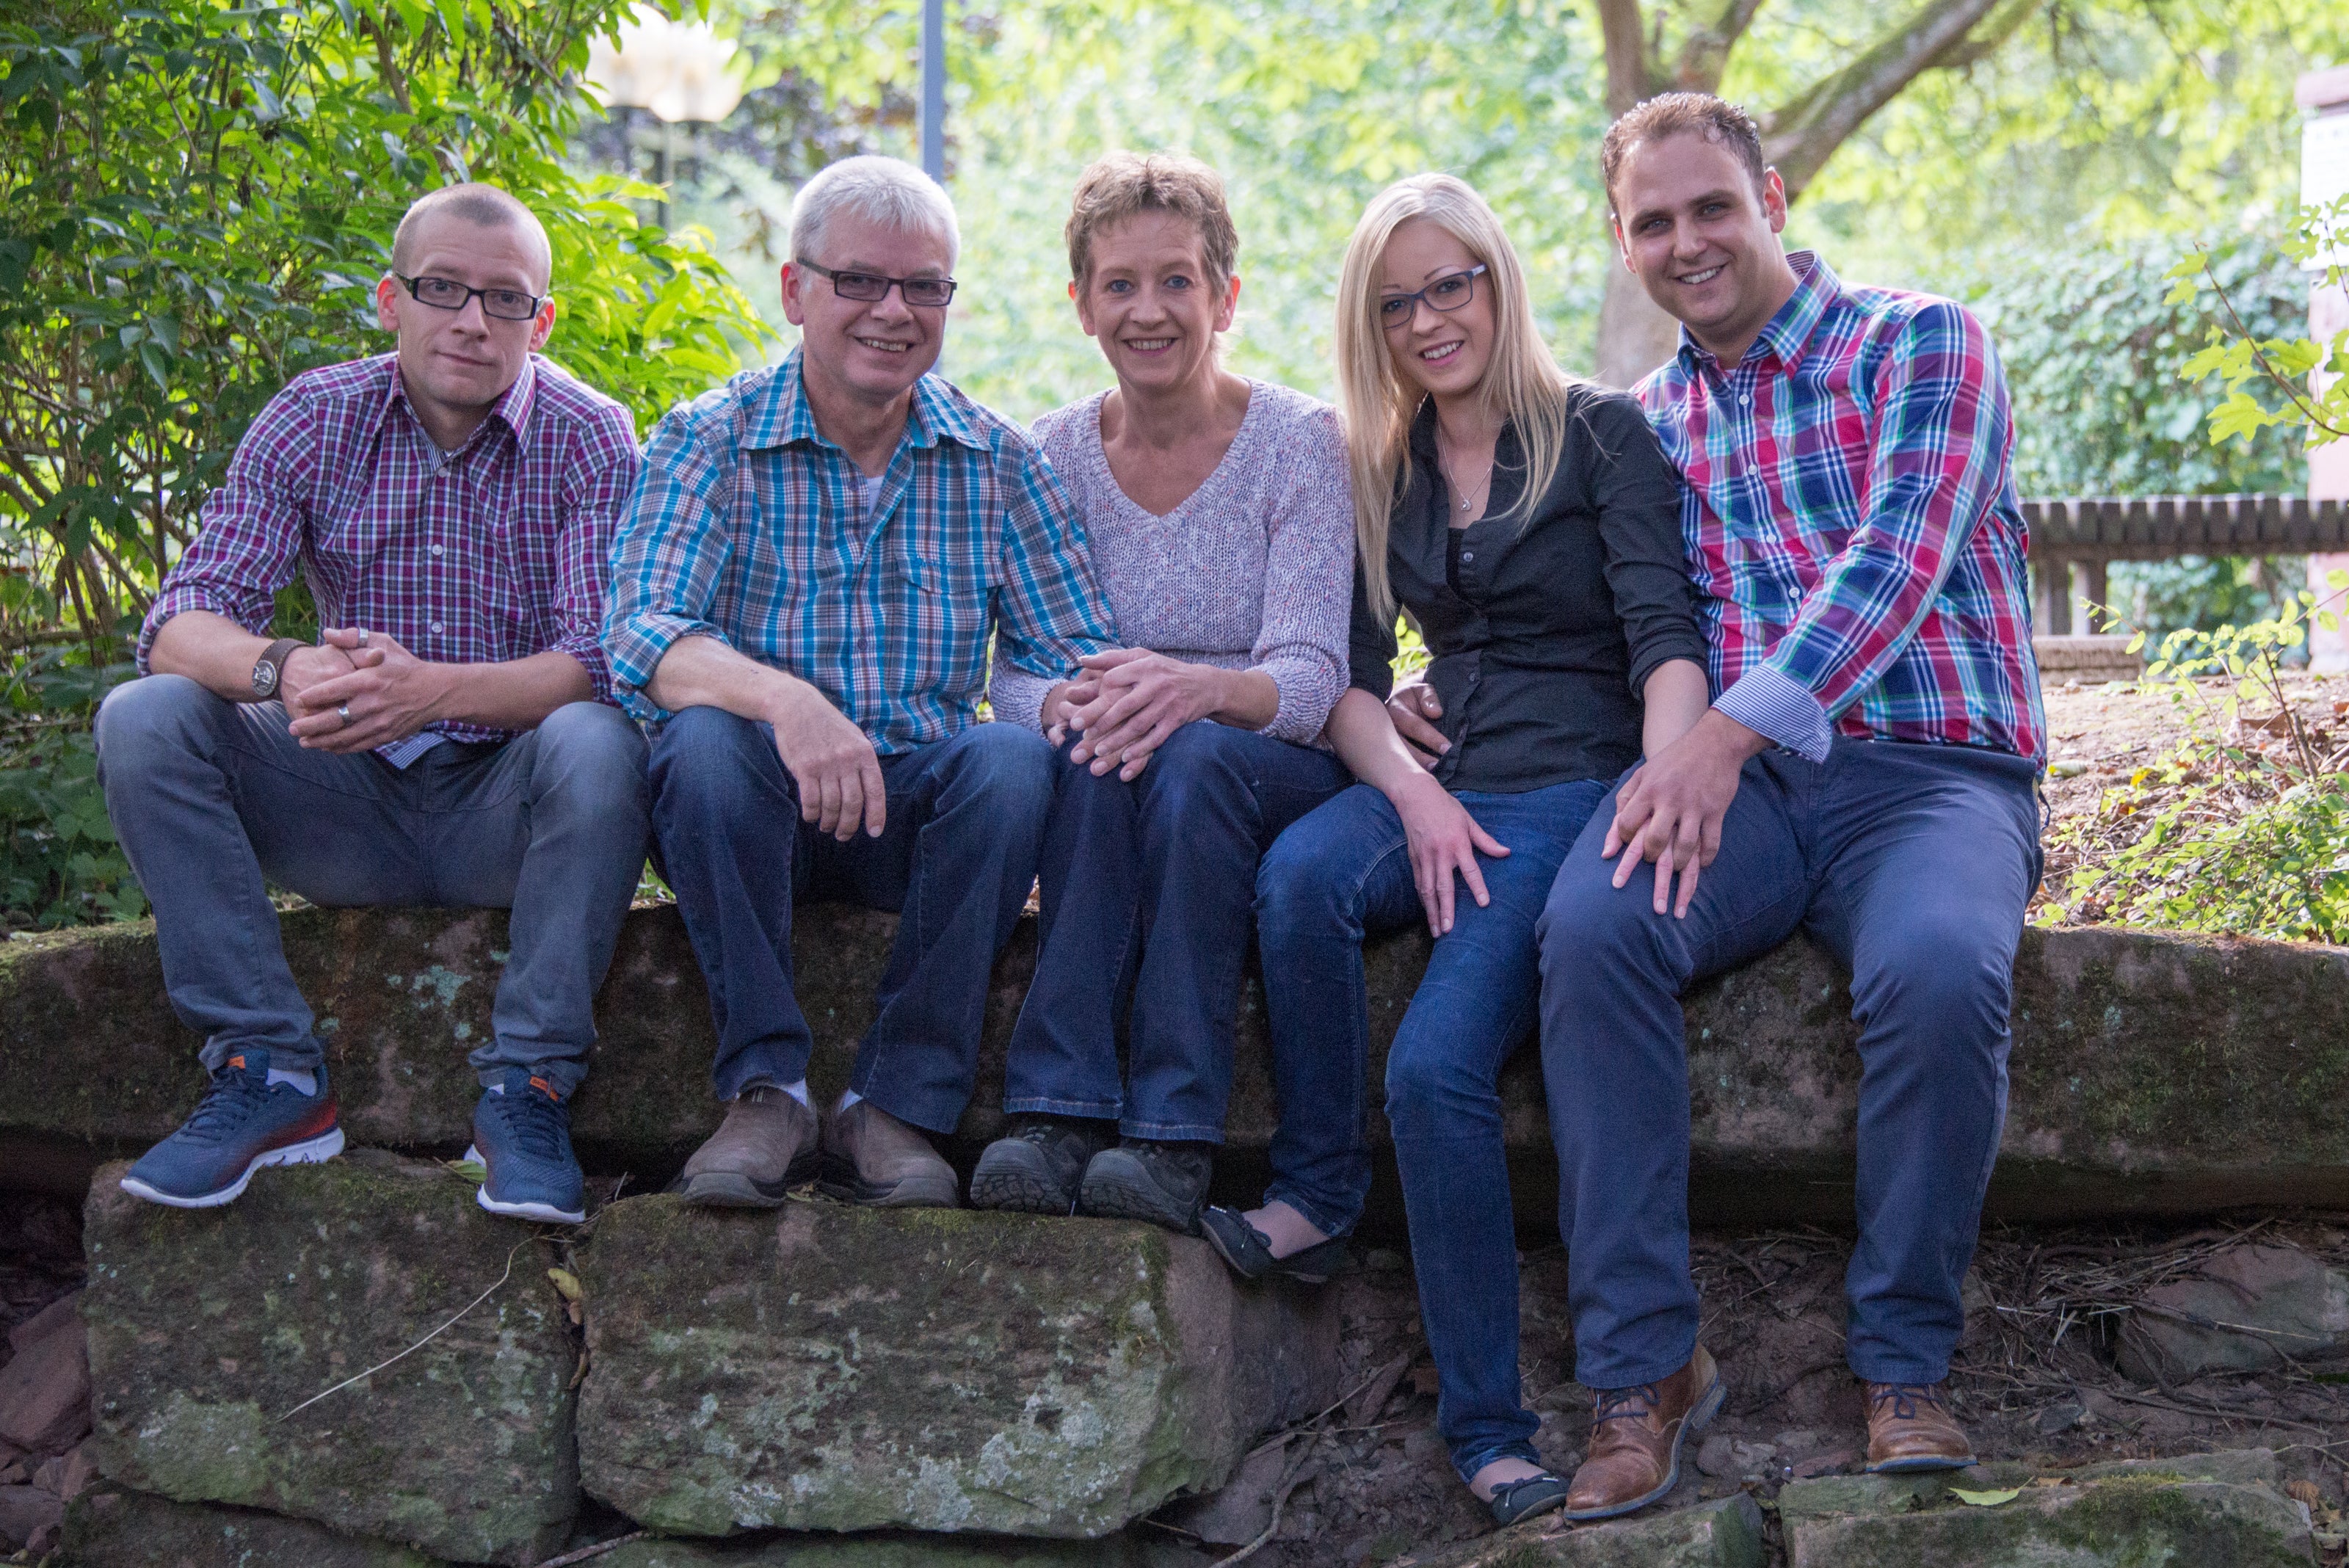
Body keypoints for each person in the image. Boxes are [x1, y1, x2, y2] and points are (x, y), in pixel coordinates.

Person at [1533, 93, 2045, 1521]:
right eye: (1652, 221)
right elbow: (1622, 619)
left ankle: (1903, 1365)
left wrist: (1721, 737)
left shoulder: (1919, 341)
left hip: (1934, 771)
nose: (1686, 242)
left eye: (1711, 207)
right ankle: (1643, 1372)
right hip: (1747, 792)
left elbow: (1899, 555)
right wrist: (1420, 694)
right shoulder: (1641, 426)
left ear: (1773, 194)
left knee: (1940, 971)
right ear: (1621, 241)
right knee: (1591, 927)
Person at [1201, 173, 1713, 1530]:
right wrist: (1415, 801)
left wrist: (1665, 784)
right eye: (1397, 301)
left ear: (1498, 279)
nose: (1431, 318)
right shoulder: (1380, 465)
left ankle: (1486, 1427)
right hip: (1443, 775)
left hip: (1571, 787)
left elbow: (1668, 637)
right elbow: (1351, 680)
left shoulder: (1603, 437)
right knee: (1301, 877)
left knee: (1435, 1069)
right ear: (1370, 326)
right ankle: (1317, 1186)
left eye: (1452, 284)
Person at [97, 183, 651, 1225]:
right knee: (145, 715)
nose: (471, 321)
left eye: (504, 299)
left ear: (542, 321)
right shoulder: (317, 416)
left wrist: (430, 693)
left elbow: (607, 660)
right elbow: (181, 621)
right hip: (340, 795)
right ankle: (271, 1075)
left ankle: (525, 1091)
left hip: (508, 808)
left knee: (603, 736)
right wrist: (288, 669)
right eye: (443, 289)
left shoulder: (591, 436)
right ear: (393, 300)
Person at [606, 155, 1117, 1212]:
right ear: (796, 291)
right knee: (698, 741)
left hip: (914, 819)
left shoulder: (997, 463)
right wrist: (788, 704)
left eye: (923, 286)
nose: (894, 311)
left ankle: (895, 1104)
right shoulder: (712, 440)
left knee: (1012, 762)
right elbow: (643, 635)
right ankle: (769, 1086)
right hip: (754, 815)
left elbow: (1073, 662)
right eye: (860, 283)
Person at [965, 153, 1354, 1235]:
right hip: (1118, 769)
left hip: (1264, 765)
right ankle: (1057, 1115)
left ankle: (1174, 1134)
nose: (1150, 310)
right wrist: (1062, 706)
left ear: (1225, 297)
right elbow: (1007, 670)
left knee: (1181, 753)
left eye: (1177, 281)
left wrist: (1195, 690)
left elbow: (1314, 681)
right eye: (1121, 284)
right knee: (1100, 746)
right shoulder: (1046, 455)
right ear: (1081, 302)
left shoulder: (1298, 442)